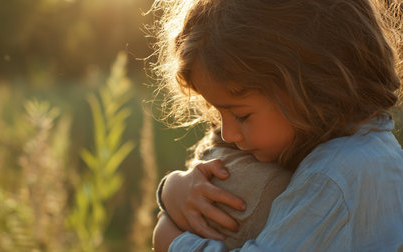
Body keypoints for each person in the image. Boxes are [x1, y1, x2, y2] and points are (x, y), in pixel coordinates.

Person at [149, 0, 403, 251]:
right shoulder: (373, 152)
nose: (228, 134)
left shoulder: (330, 178)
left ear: (311, 87)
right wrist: (170, 189)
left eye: (242, 116)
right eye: (218, 112)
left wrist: (172, 241)